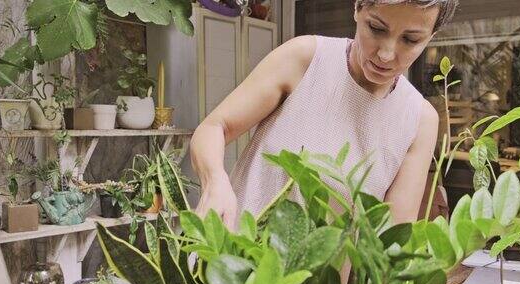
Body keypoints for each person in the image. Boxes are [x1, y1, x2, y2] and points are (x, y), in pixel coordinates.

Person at [190, 0, 459, 230]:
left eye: (410, 40)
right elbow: (214, 127)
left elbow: (389, 240)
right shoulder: (305, 58)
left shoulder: (419, 120)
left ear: (430, 37)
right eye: (376, 28)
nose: (387, 54)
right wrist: (215, 181)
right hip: (231, 270)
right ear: (357, 8)